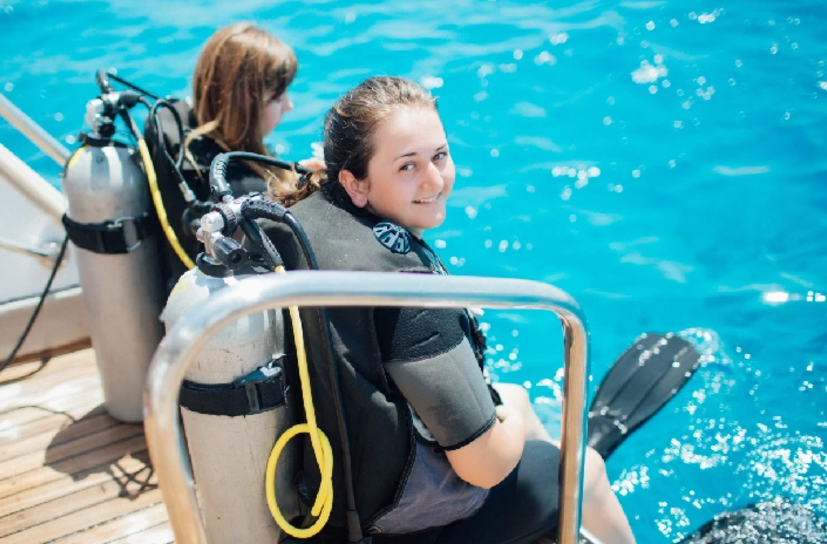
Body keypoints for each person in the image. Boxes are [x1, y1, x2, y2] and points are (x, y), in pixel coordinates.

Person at [262, 76, 636, 544]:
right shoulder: (407, 295)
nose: (435, 180)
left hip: (331, 504)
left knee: (523, 424)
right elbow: (483, 467)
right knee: (586, 468)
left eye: (439, 155)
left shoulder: (303, 220)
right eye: (407, 166)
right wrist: (511, 413)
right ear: (354, 183)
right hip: (400, 524)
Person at [145, 22, 319, 289]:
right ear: (245, 106)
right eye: (278, 97)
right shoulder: (242, 190)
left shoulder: (183, 142)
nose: (289, 105)